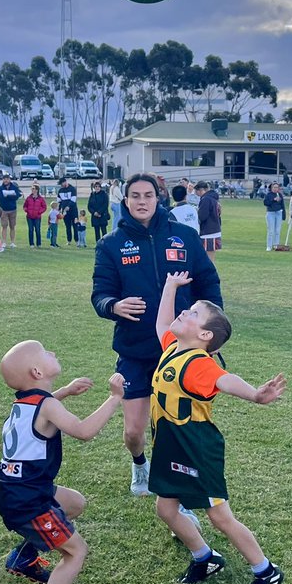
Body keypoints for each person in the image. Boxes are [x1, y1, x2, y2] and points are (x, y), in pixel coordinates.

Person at [149, 273, 286, 584]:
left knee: (219, 516)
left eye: (193, 313)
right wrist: (169, 287)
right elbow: (162, 325)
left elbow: (225, 380)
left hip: (196, 448)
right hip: (170, 446)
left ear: (205, 335)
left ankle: (266, 570)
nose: (185, 312)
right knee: (166, 510)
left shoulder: (199, 363)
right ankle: (205, 557)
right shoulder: (173, 346)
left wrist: (255, 395)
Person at [91, 172, 222, 496]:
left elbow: (208, 282)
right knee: (135, 430)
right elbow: (100, 294)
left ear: (158, 198)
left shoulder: (185, 236)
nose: (141, 201)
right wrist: (113, 305)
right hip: (136, 349)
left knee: (177, 430)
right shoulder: (111, 244)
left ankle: (177, 491)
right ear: (125, 201)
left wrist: (210, 331)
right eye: (134, 196)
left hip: (181, 353)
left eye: (147, 195)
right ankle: (139, 465)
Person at [0, 340, 124, 584]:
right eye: (46, 352)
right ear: (37, 371)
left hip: (16, 488)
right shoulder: (47, 405)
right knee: (76, 551)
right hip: (29, 499)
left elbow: (44, 407)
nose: (53, 352)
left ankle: (22, 559)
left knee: (74, 503)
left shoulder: (25, 401)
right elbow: (84, 431)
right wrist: (114, 397)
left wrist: (64, 391)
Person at [195, 181, 222, 259]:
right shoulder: (214, 198)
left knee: (207, 258)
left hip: (208, 232)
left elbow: (202, 216)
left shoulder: (205, 199)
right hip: (215, 230)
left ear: (201, 190)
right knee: (211, 257)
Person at [0, 174, 22, 248]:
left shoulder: (14, 187)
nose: (5, 180)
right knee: (4, 226)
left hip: (13, 209)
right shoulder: (0, 188)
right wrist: (11, 196)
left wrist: (8, 196)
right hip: (4, 210)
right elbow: (2, 198)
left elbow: (17, 196)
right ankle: (4, 242)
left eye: (7, 179)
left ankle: (12, 242)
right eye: (4, 179)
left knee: (12, 226)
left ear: (9, 179)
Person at [262, 183, 285, 251]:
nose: (275, 189)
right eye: (274, 187)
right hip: (271, 213)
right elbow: (266, 203)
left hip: (278, 213)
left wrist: (283, 215)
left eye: (277, 187)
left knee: (277, 230)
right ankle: (269, 246)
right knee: (270, 230)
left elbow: (282, 205)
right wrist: (273, 200)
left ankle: (276, 245)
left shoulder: (280, 195)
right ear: (272, 188)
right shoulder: (268, 195)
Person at [58, 180, 78, 244]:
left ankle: (77, 240)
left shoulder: (72, 189)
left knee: (75, 225)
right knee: (67, 226)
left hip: (73, 210)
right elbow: (59, 201)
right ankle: (69, 240)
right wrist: (59, 209)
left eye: (62, 183)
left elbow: (73, 199)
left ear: (65, 182)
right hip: (65, 212)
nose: (61, 185)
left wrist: (68, 206)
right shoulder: (60, 190)